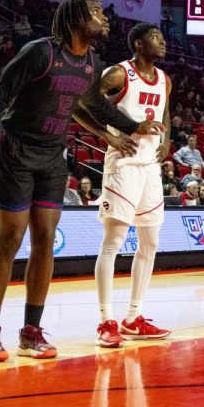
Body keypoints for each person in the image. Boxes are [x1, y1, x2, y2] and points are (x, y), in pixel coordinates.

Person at [0, 0, 163, 363]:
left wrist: (133, 125)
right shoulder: (39, 53)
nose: (104, 19)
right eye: (95, 13)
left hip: (53, 158)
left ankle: (31, 332)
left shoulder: (91, 63)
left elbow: (96, 106)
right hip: (16, 153)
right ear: (75, 19)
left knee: (44, 241)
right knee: (10, 239)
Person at [80, 22, 173, 349]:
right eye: (155, 38)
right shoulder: (119, 74)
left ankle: (133, 318)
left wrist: (167, 139)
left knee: (150, 242)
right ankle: (106, 321)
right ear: (137, 43)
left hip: (149, 167)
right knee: (114, 242)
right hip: (122, 166)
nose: (162, 42)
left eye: (162, 37)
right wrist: (108, 135)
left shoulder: (164, 78)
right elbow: (81, 100)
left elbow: (165, 110)